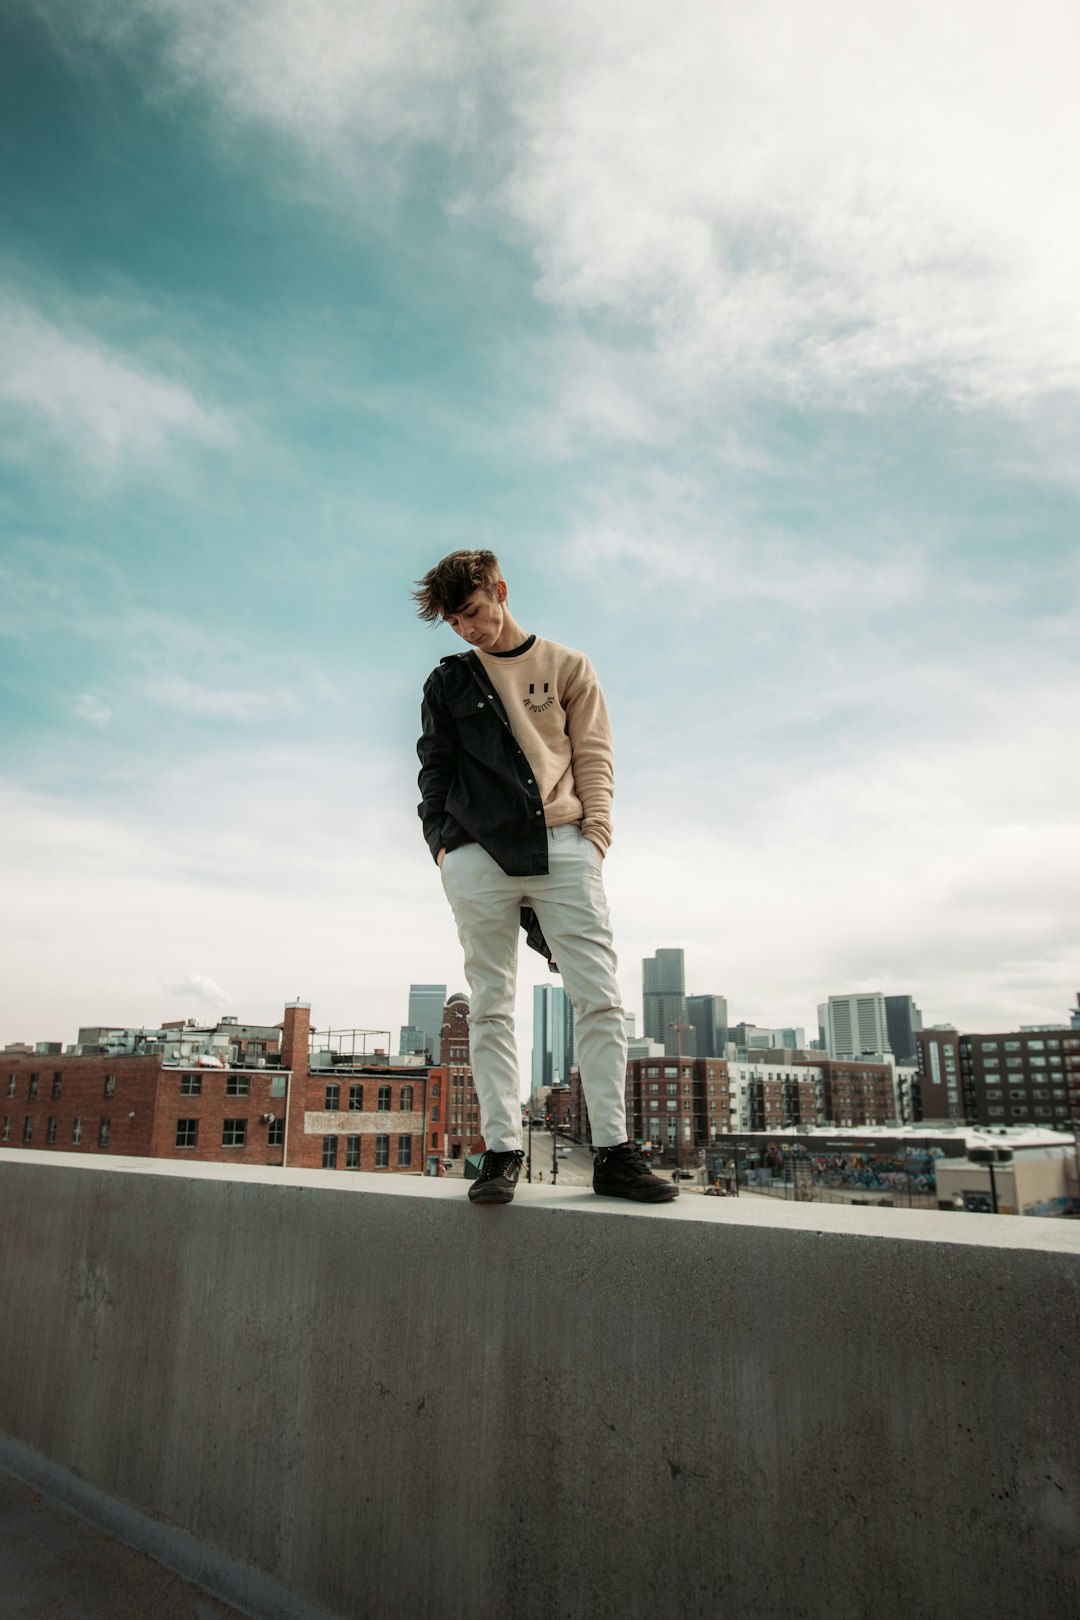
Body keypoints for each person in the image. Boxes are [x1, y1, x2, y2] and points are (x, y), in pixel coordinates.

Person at [413, 549, 678, 1207]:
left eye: (473, 612)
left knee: (598, 996)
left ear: (500, 591)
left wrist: (595, 842)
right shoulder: (447, 682)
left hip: (564, 847)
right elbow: (434, 772)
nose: (467, 629)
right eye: (455, 622)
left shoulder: (567, 667)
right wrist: (441, 849)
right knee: (492, 1004)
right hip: (476, 856)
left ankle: (614, 1154)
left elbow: (594, 757)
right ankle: (500, 1152)